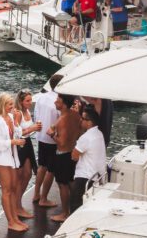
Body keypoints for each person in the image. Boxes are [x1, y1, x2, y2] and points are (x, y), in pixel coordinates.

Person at [0, 93, 28, 233]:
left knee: (14, 187)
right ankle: (10, 222)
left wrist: (16, 121)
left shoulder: (10, 117)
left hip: (9, 157)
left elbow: (17, 133)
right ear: (3, 106)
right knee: (7, 189)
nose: (13, 106)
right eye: (10, 104)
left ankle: (15, 218)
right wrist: (14, 142)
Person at [48, 94, 83, 223]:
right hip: (72, 152)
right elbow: (80, 132)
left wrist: (52, 134)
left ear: (63, 103)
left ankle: (65, 213)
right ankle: (74, 209)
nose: (55, 101)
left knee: (63, 184)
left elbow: (61, 143)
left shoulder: (62, 119)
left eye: (58, 100)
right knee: (71, 182)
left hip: (63, 154)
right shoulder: (76, 115)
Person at [32, 74, 63, 208]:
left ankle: (36, 193)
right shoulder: (58, 101)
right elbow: (61, 120)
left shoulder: (41, 98)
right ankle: (44, 198)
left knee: (42, 166)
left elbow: (36, 116)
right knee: (51, 169)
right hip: (52, 138)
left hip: (41, 136)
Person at [70, 106, 107, 214]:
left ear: (89, 122)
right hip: (95, 177)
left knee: (75, 206)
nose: (80, 120)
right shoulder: (99, 134)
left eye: (83, 118)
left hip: (84, 177)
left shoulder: (86, 137)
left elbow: (74, 156)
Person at [13, 90, 42, 219]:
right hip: (20, 145)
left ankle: (17, 204)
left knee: (28, 174)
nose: (30, 103)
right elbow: (17, 133)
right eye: (27, 101)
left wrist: (35, 128)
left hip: (27, 143)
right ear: (21, 102)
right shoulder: (18, 113)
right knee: (20, 176)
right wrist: (33, 128)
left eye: (31, 100)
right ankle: (17, 206)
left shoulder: (27, 111)